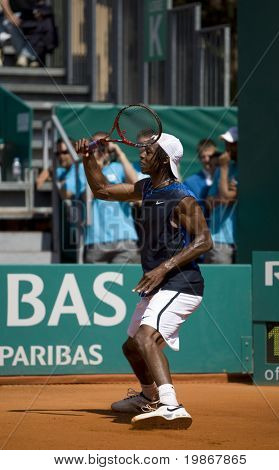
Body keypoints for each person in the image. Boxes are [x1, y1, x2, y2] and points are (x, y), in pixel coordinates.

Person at [75, 132, 212, 429]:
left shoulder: (182, 197)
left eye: (148, 150)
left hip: (182, 284)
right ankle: (148, 397)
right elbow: (102, 190)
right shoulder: (147, 188)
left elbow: (204, 241)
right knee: (132, 348)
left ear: (163, 158)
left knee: (145, 338)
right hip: (160, 284)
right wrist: (88, 158)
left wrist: (164, 268)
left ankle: (171, 405)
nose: (141, 154)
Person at [82, 132, 140, 264]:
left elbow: (135, 184)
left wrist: (120, 153)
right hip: (96, 239)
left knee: (124, 281)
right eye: (96, 144)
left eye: (103, 144)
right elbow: (88, 194)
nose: (100, 147)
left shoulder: (118, 168)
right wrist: (94, 164)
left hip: (124, 237)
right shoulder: (84, 167)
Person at [204, 127, 238, 264]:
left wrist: (228, 195)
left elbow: (225, 198)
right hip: (220, 240)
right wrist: (227, 194)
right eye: (226, 143)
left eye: (232, 143)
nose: (227, 147)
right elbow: (210, 201)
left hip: (243, 241)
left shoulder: (248, 169)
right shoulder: (222, 168)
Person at [183, 138, 220, 221]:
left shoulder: (226, 178)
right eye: (203, 157)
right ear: (199, 159)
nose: (207, 160)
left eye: (210, 156)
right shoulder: (189, 183)